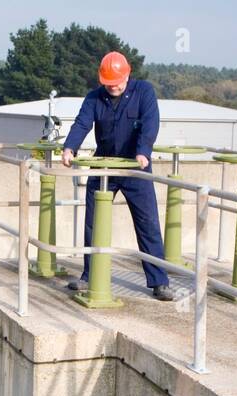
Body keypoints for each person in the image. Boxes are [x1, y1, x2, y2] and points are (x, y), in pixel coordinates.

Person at [61, 51, 173, 301]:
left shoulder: (144, 91)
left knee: (148, 223)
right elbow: (82, 123)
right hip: (104, 167)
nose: (113, 87)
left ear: (128, 74)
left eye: (117, 82)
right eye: (108, 83)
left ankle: (159, 281)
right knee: (94, 223)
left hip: (135, 168)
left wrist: (143, 152)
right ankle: (90, 275)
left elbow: (150, 123)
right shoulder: (94, 97)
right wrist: (69, 148)